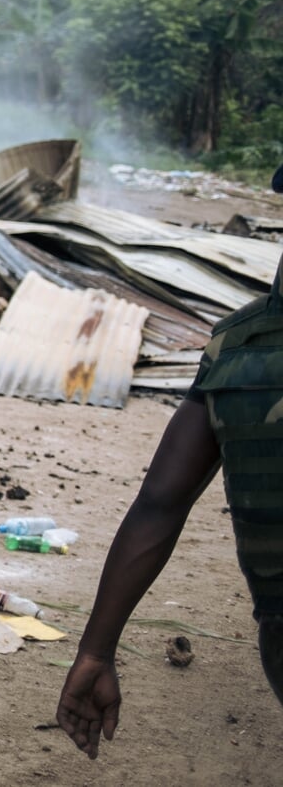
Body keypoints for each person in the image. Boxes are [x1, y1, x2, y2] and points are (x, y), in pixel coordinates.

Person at [57, 164, 283, 758]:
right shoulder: (236, 344)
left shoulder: (238, 346)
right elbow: (159, 505)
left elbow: (159, 505)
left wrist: (96, 651)